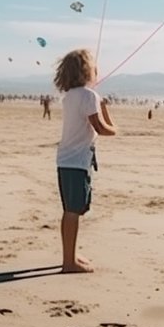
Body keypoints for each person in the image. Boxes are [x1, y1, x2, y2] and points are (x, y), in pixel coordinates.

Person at [53, 49, 116, 274]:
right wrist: (113, 125)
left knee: (70, 210)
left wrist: (102, 106)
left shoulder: (70, 95)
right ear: (86, 70)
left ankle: (69, 254)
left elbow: (92, 121)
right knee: (73, 212)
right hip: (76, 162)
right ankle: (68, 262)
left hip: (66, 160)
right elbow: (102, 129)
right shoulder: (89, 96)